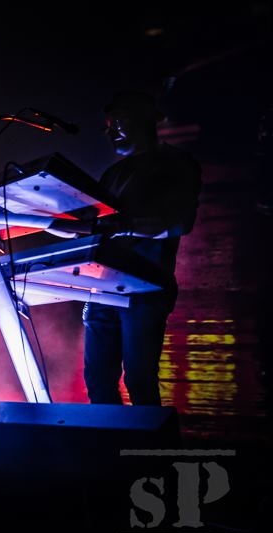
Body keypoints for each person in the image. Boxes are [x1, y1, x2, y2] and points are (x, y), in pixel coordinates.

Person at [55, 90, 202, 405]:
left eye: (118, 123)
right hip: (101, 288)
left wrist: (122, 225)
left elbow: (180, 221)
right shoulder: (113, 174)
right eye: (108, 126)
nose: (110, 133)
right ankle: (111, 437)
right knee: (98, 380)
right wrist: (44, 221)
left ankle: (149, 438)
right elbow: (94, 224)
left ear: (146, 120)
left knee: (139, 379)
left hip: (144, 289)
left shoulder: (175, 162)